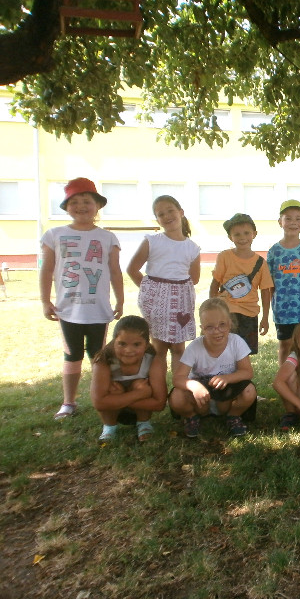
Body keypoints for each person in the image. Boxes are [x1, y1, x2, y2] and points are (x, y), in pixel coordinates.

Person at [40, 177, 124, 420]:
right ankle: (69, 402)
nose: (81, 206)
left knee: (99, 357)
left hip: (98, 310)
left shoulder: (108, 238)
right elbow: (46, 270)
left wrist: (120, 300)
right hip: (68, 310)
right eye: (74, 202)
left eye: (87, 201)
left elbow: (115, 271)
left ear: (97, 206)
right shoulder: (54, 235)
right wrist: (45, 300)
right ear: (66, 207)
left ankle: (104, 397)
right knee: (72, 355)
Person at [127, 195, 201, 373]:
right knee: (159, 348)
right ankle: (158, 385)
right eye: (161, 214)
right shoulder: (152, 241)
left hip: (181, 300)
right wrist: (151, 291)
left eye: (170, 211)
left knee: (178, 348)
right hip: (156, 302)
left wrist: (174, 289)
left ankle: (179, 385)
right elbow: (132, 269)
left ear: (181, 212)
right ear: (157, 220)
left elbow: (195, 278)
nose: (167, 216)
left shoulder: (192, 248)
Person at [169, 298, 256, 438]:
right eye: (210, 327)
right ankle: (191, 417)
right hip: (200, 398)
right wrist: (194, 386)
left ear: (230, 323)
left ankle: (233, 416)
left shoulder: (237, 342)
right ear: (202, 328)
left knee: (249, 390)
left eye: (222, 324)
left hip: (226, 394)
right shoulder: (194, 347)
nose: (217, 331)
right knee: (176, 396)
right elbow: (178, 378)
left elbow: (247, 372)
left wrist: (227, 378)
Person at [90, 315, 167, 443]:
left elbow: (159, 404)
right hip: (112, 411)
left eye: (137, 344)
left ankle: (144, 424)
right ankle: (109, 427)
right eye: (122, 344)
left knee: (139, 384)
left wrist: (115, 400)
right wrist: (140, 393)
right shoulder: (104, 361)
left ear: (146, 345)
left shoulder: (153, 360)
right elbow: (98, 403)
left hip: (140, 408)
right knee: (114, 388)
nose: (129, 350)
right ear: (114, 342)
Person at [210, 213, 273, 355]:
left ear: (254, 234)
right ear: (230, 237)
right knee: (224, 351)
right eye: (237, 234)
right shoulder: (224, 256)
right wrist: (211, 309)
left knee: (244, 353)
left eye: (246, 233)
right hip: (226, 312)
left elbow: (265, 291)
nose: (242, 237)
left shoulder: (261, 263)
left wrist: (265, 318)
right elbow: (215, 283)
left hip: (250, 313)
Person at [267, 200, 300, 365]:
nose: (293, 223)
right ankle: (284, 377)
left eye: (298, 219)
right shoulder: (274, 251)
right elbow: (269, 282)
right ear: (280, 222)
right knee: (285, 344)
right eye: (288, 218)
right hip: (283, 308)